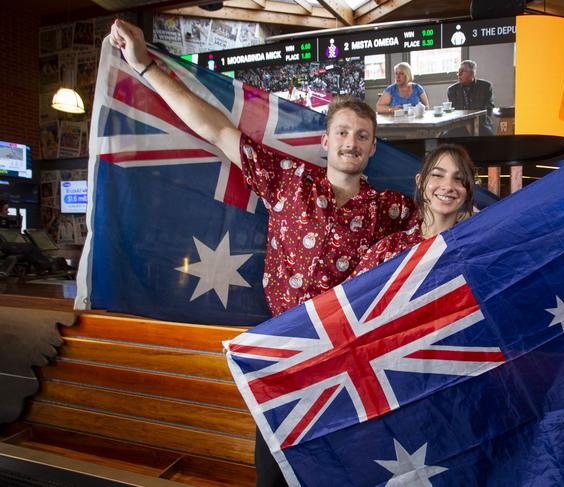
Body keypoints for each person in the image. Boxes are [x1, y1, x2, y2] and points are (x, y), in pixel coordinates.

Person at [109, 19, 416, 487]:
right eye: (343, 133)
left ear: (373, 147)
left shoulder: (389, 208)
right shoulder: (288, 181)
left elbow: (444, 221)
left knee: (342, 468)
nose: (350, 142)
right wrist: (143, 65)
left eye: (361, 136)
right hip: (283, 347)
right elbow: (214, 128)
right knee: (272, 475)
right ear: (325, 140)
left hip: (346, 355)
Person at [352, 144, 475, 276]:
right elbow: (351, 294)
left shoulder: (476, 250)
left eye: (459, 178)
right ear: (420, 181)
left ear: (468, 189)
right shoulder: (390, 248)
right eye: (437, 175)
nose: (448, 186)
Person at [447, 60, 495, 135]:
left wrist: (474, 123)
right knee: (446, 136)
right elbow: (453, 112)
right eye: (458, 71)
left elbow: (488, 109)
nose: (459, 74)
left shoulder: (486, 86)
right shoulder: (452, 90)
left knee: (487, 134)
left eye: (463, 71)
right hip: (459, 125)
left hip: (481, 123)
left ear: (472, 74)